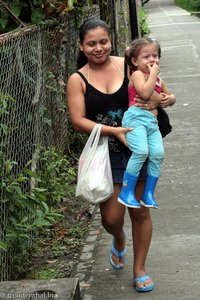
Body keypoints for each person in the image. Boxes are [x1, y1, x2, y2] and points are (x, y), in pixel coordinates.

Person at [67, 18, 174, 293]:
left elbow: (152, 91)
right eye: (92, 44)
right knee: (111, 218)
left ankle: (139, 269)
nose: (99, 48)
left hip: (141, 147)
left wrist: (163, 99)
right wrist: (112, 132)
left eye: (103, 41)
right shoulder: (78, 79)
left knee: (139, 211)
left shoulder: (128, 65)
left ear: (111, 41)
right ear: (81, 45)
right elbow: (78, 120)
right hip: (109, 152)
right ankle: (119, 239)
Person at [118, 37, 176, 209]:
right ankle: (126, 191)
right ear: (134, 61)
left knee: (158, 153)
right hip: (136, 118)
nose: (152, 60)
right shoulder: (137, 74)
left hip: (152, 122)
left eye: (155, 55)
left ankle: (148, 193)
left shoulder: (158, 79)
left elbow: (171, 96)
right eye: (146, 57)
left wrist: (170, 99)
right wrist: (153, 75)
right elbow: (144, 93)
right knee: (141, 151)